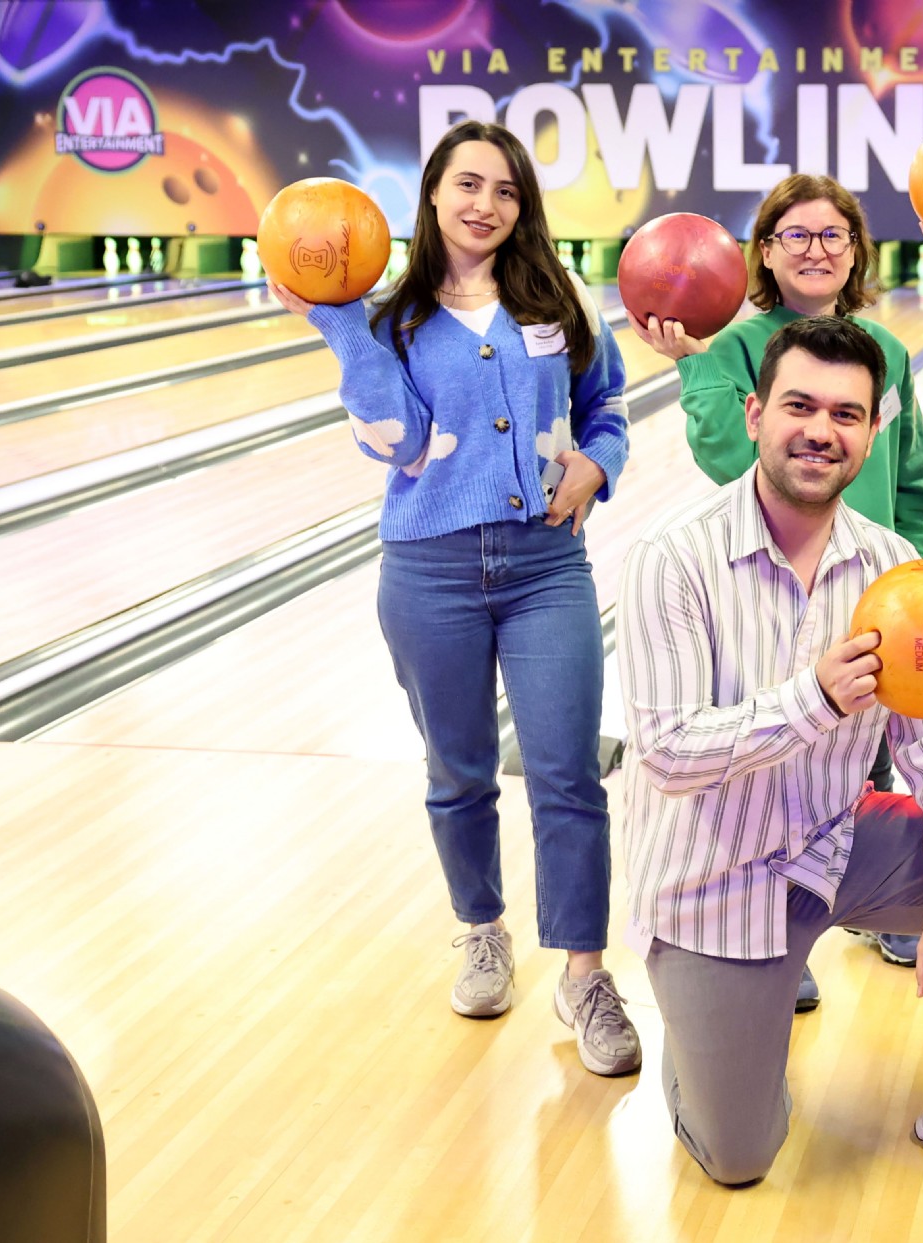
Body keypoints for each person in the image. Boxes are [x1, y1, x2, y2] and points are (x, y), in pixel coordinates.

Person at [618, 316, 923, 1185]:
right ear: (756, 414)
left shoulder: (891, 566)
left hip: (834, 848)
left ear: (874, 433)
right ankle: (707, 1048)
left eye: (846, 414)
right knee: (739, 1155)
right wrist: (813, 698)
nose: (821, 430)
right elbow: (666, 752)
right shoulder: (674, 558)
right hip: (712, 881)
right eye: (799, 406)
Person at [269, 120, 641, 1076]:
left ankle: (585, 973)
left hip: (547, 566)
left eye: (506, 190)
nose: (486, 204)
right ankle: (481, 930)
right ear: (432, 192)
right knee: (459, 771)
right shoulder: (391, 321)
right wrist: (337, 322)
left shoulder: (560, 299)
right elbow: (394, 443)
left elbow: (608, 404)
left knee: (567, 772)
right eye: (469, 184)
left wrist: (598, 463)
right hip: (428, 570)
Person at [633, 172, 923, 999]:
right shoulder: (737, 346)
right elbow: (727, 457)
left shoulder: (890, 353)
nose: (815, 249)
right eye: (794, 235)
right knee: (777, 752)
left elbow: (910, 475)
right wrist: (696, 365)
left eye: (832, 234)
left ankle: (863, 900)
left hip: (872, 586)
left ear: (855, 252)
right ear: (764, 253)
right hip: (775, 587)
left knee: (870, 749)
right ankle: (776, 923)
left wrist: (918, 572)